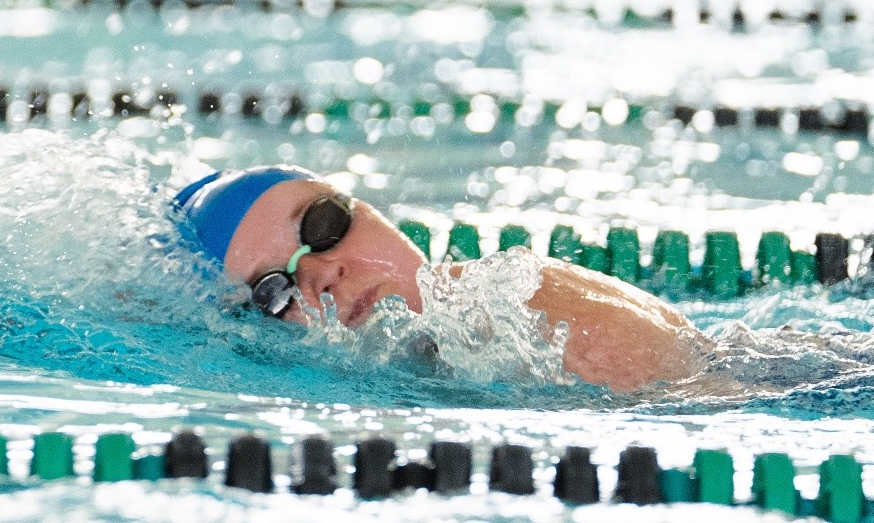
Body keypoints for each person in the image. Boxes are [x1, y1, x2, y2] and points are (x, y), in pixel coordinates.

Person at [173, 165, 711, 392]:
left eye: (323, 226)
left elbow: (709, 401)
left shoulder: (521, 305)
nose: (324, 274)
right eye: (274, 290)